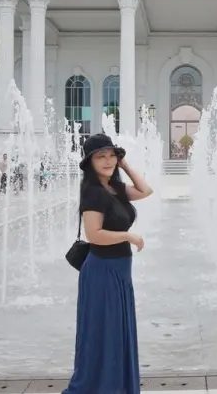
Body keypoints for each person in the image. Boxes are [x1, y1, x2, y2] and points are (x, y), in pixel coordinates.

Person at [63, 133, 153, 394]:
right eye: (100, 156)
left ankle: (116, 386)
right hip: (102, 272)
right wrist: (128, 236)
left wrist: (124, 166)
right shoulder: (93, 193)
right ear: (90, 162)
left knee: (115, 333)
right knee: (104, 336)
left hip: (119, 272)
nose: (107, 160)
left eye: (111, 155)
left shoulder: (115, 188)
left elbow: (146, 190)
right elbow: (95, 235)